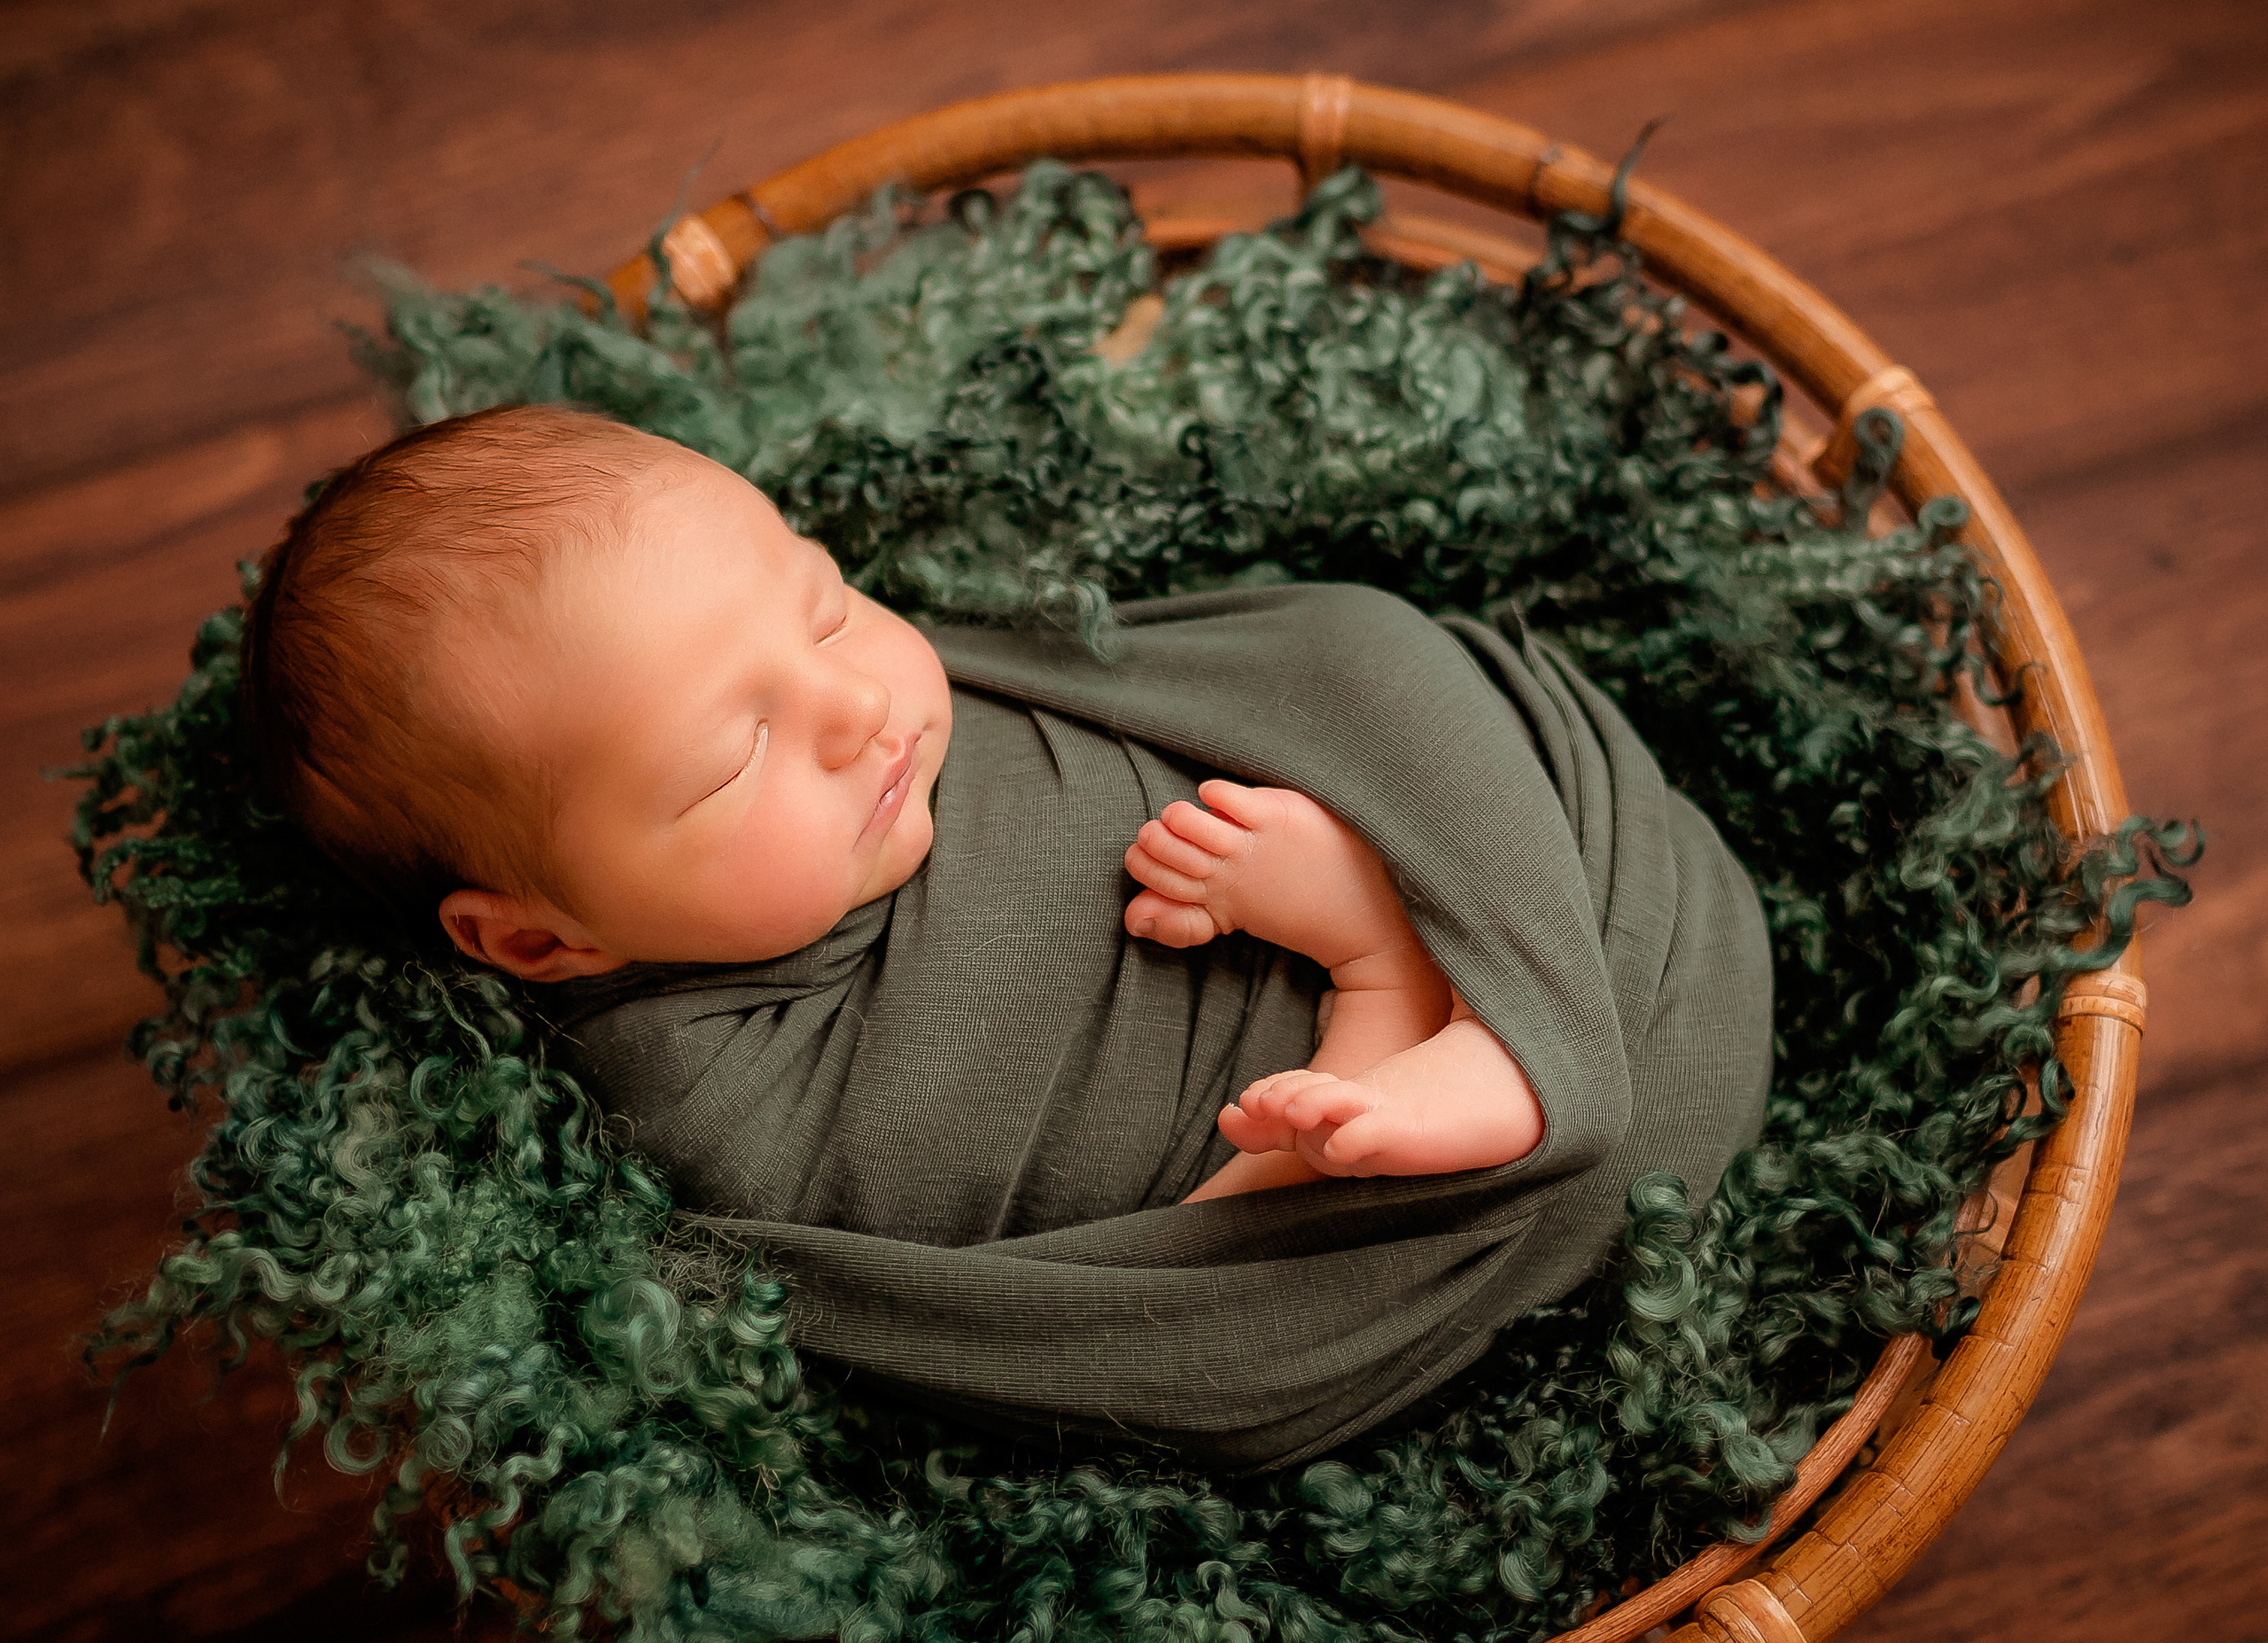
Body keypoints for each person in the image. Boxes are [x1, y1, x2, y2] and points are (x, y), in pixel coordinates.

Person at [243, 401, 1773, 1470]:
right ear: (535, 942)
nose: (855, 707)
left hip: (1603, 882)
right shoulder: (720, 1111)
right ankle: (1401, 1008)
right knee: (1204, 1353)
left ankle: (1462, 980)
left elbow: (1270, 668)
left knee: (1360, 641)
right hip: (1420, 1201)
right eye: (731, 757)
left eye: (825, 601)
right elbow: (1011, 1323)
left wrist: (1378, 837)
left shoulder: (918, 702)